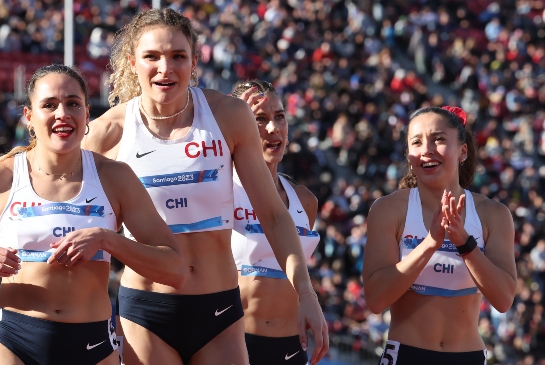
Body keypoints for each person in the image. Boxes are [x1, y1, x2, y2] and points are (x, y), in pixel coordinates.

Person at [82, 8, 328, 365]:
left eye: (178, 56)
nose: (165, 69)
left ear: (194, 61)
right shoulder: (108, 133)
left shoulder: (227, 115)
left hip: (219, 311)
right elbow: (66, 200)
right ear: (133, 63)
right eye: (152, 57)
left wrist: (306, 293)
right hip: (146, 312)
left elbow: (274, 216)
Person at [0, 64, 187, 365]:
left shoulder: (115, 178)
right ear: (29, 117)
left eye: (73, 103)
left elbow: (174, 268)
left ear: (87, 113)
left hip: (93, 345)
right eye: (49, 105)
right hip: (14, 341)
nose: (62, 113)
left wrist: (106, 240)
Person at [362, 106, 517, 365]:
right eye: (417, 142)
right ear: (410, 155)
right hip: (406, 355)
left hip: (468, 357)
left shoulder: (493, 215)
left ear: (463, 151)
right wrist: (430, 244)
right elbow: (376, 300)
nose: (427, 150)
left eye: (439, 139)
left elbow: (503, 299)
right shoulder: (388, 209)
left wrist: (464, 243)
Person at [230, 80, 320, 365]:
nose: (273, 128)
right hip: (230, 343)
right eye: (259, 119)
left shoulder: (305, 201)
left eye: (279, 116)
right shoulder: (217, 191)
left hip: (290, 347)